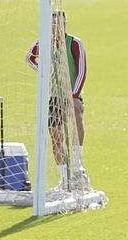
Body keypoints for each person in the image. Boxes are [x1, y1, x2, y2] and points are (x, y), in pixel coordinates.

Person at [26, 11, 88, 183]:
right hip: (54, 95)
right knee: (56, 136)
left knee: (77, 119)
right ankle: (64, 178)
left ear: (65, 23)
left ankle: (76, 165)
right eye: (52, 23)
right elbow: (30, 58)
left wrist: (75, 95)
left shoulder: (74, 43)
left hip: (72, 93)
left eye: (59, 23)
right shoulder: (44, 42)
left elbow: (82, 70)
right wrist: (44, 71)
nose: (56, 27)